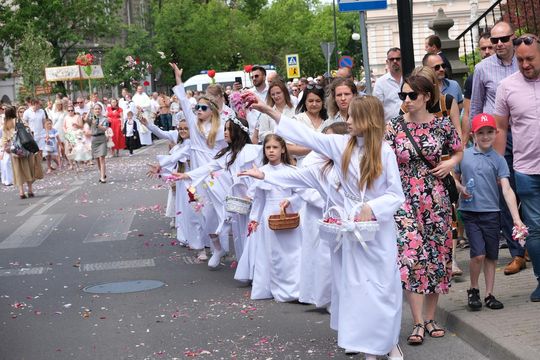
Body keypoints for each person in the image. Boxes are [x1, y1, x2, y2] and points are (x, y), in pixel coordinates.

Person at [242, 95, 405, 360]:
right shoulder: (340, 145)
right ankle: (368, 348)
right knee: (357, 289)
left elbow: (396, 195)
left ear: (368, 119)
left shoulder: (385, 152)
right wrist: (271, 113)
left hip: (379, 230)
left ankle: (388, 341)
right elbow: (306, 137)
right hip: (351, 230)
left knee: (383, 287)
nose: (347, 120)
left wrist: (372, 208)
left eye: (353, 116)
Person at [385, 74, 462, 346]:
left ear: (426, 97)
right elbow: (382, 160)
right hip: (404, 199)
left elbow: (458, 149)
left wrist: (450, 164)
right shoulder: (393, 127)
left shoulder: (441, 125)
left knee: (438, 256)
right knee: (411, 257)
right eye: (402, 96)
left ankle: (431, 318)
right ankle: (417, 321)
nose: (406, 100)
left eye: (411, 96)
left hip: (436, 197)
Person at [470, 21, 525, 275]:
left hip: (526, 133)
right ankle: (517, 253)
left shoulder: (524, 62)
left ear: (514, 39)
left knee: (528, 190)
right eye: (495, 41)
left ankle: (531, 244)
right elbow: (477, 105)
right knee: (505, 191)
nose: (499, 44)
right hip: (498, 136)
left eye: (504, 39)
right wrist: (475, 140)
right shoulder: (482, 69)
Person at [455, 113, 524, 310]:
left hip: (492, 213)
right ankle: (474, 289)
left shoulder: (499, 160)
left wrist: (516, 219)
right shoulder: (464, 155)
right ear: (473, 135)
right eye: (481, 133)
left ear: (496, 133)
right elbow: (454, 178)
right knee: (478, 254)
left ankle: (489, 294)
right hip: (470, 212)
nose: (485, 136)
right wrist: (461, 189)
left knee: (492, 255)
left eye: (489, 132)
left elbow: (507, 189)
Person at [173, 116, 262, 269]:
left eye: (229, 129)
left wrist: (254, 192)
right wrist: (187, 175)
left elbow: (262, 174)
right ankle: (246, 268)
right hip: (239, 201)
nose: (225, 132)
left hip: (256, 198)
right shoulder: (228, 154)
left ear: (238, 132)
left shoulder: (254, 150)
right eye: (225, 129)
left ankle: (257, 268)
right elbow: (209, 167)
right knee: (241, 234)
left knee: (255, 234)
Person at [494, 34, 540, 301]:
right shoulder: (507, 86)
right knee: (534, 230)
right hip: (525, 169)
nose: (524, 64)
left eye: (530, 59)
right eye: (520, 59)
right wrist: (500, 169)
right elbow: (500, 127)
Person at [170, 62, 228, 262]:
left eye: (203, 108)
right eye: (197, 108)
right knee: (200, 213)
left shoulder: (220, 130)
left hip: (215, 177)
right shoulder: (193, 128)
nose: (199, 110)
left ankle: (220, 246)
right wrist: (178, 78)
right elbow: (184, 102)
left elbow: (235, 146)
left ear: (212, 110)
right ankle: (209, 247)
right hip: (195, 179)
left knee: (219, 213)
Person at [240, 134, 303, 302]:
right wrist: (254, 219)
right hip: (268, 215)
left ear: (283, 149)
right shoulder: (262, 172)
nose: (271, 151)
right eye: (268, 148)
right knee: (270, 253)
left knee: (292, 253)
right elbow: (259, 199)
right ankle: (270, 288)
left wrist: (290, 201)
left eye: (275, 147)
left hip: (288, 214)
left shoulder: (291, 171)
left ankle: (294, 290)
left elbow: (300, 194)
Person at [462, 33, 494, 145]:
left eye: (490, 47)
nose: (487, 52)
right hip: (487, 133)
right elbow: (467, 112)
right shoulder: (474, 77)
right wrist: (464, 142)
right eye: (483, 48)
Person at [1, 106, 36, 198]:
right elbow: (29, 131)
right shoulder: (19, 121)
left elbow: (4, 140)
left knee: (18, 171)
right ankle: (30, 190)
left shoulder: (5, 124)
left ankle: (21, 192)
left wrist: (6, 148)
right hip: (25, 148)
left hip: (15, 150)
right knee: (28, 168)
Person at [290, 85, 328, 165]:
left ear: (323, 102)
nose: (314, 104)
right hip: (304, 166)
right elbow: (288, 147)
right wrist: (315, 148)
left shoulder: (328, 121)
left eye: (318, 101)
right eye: (310, 101)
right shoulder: (297, 120)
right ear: (305, 102)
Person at [373, 47, 403, 122]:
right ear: (387, 62)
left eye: (398, 59)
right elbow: (376, 109)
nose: (395, 61)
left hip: (411, 125)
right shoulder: (380, 82)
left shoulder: (410, 79)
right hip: (390, 127)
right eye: (391, 59)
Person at [87, 104, 109, 183]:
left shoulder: (105, 119)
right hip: (94, 139)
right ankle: (102, 173)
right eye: (96, 109)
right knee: (97, 159)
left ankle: (102, 178)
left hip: (101, 139)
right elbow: (85, 120)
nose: (97, 110)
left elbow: (105, 129)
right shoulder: (92, 118)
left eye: (99, 109)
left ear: (101, 109)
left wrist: (97, 125)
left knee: (101, 158)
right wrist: (89, 110)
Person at [63, 105, 83, 170]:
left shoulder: (77, 116)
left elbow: (81, 126)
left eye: (72, 110)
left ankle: (78, 165)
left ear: (74, 111)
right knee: (67, 150)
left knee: (76, 150)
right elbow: (63, 126)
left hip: (76, 134)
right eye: (69, 110)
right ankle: (71, 164)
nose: (70, 112)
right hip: (69, 134)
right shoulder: (66, 117)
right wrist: (66, 132)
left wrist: (77, 125)